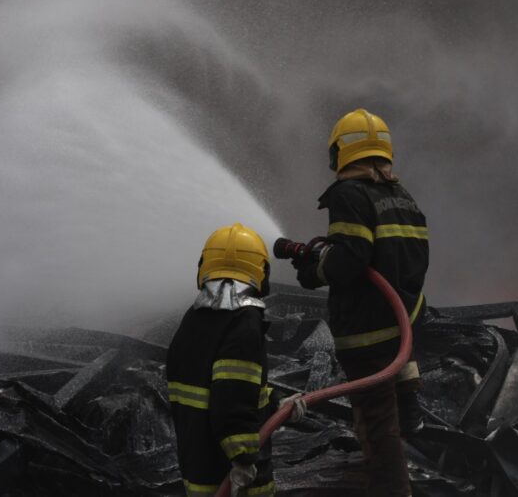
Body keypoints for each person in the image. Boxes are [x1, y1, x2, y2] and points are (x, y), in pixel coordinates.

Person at [293, 108, 429, 497]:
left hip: (367, 334)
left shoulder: (349, 194)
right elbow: (411, 261)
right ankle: (411, 409)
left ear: (341, 152)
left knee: (376, 431)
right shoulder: (401, 198)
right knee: (392, 422)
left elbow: (351, 260)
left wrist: (315, 271)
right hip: (400, 326)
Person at [167, 223, 275, 497]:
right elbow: (232, 399)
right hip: (230, 475)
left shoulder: (194, 316)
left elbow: (210, 386)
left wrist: (276, 403)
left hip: (197, 463)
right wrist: (242, 459)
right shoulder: (245, 323)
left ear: (204, 264)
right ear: (260, 270)